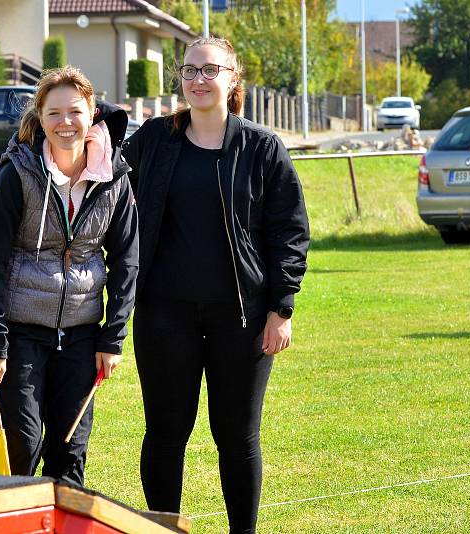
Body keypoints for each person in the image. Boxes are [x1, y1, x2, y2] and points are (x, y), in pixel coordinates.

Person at [122, 37, 309, 533]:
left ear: (232, 79)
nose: (198, 80)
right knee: (165, 433)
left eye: (209, 70)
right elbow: (101, 160)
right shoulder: (155, 141)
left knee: (238, 437)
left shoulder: (261, 147)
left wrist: (281, 308)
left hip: (242, 319)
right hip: (165, 316)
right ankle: (164, 527)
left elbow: (288, 230)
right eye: (189, 71)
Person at [0, 66, 138, 486]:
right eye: (54, 113)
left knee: (69, 450)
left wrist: (112, 338)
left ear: (92, 113)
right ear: (40, 118)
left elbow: (127, 261)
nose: (65, 123)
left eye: (75, 112)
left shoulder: (115, 179)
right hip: (21, 332)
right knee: (23, 444)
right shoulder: (16, 175)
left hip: (83, 335)